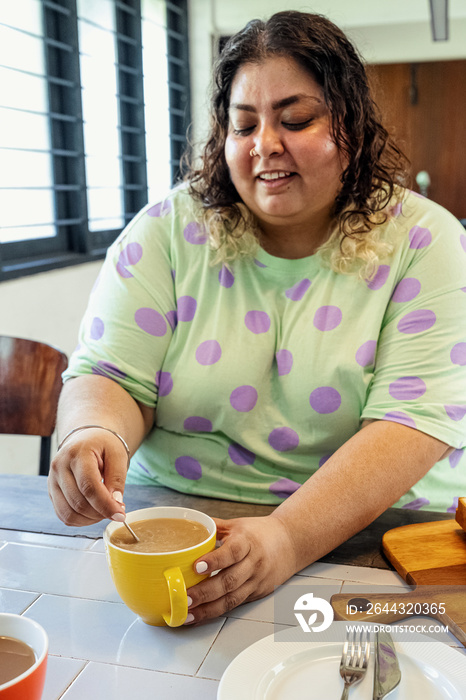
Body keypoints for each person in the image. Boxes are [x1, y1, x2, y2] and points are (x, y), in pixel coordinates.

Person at [48, 11, 466, 623]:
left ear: (350, 126)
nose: (265, 143)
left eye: (296, 120)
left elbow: (409, 421)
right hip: (179, 519)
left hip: (376, 535)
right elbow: (110, 374)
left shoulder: (425, 241)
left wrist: (287, 538)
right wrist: (95, 433)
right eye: (244, 125)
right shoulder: (168, 231)